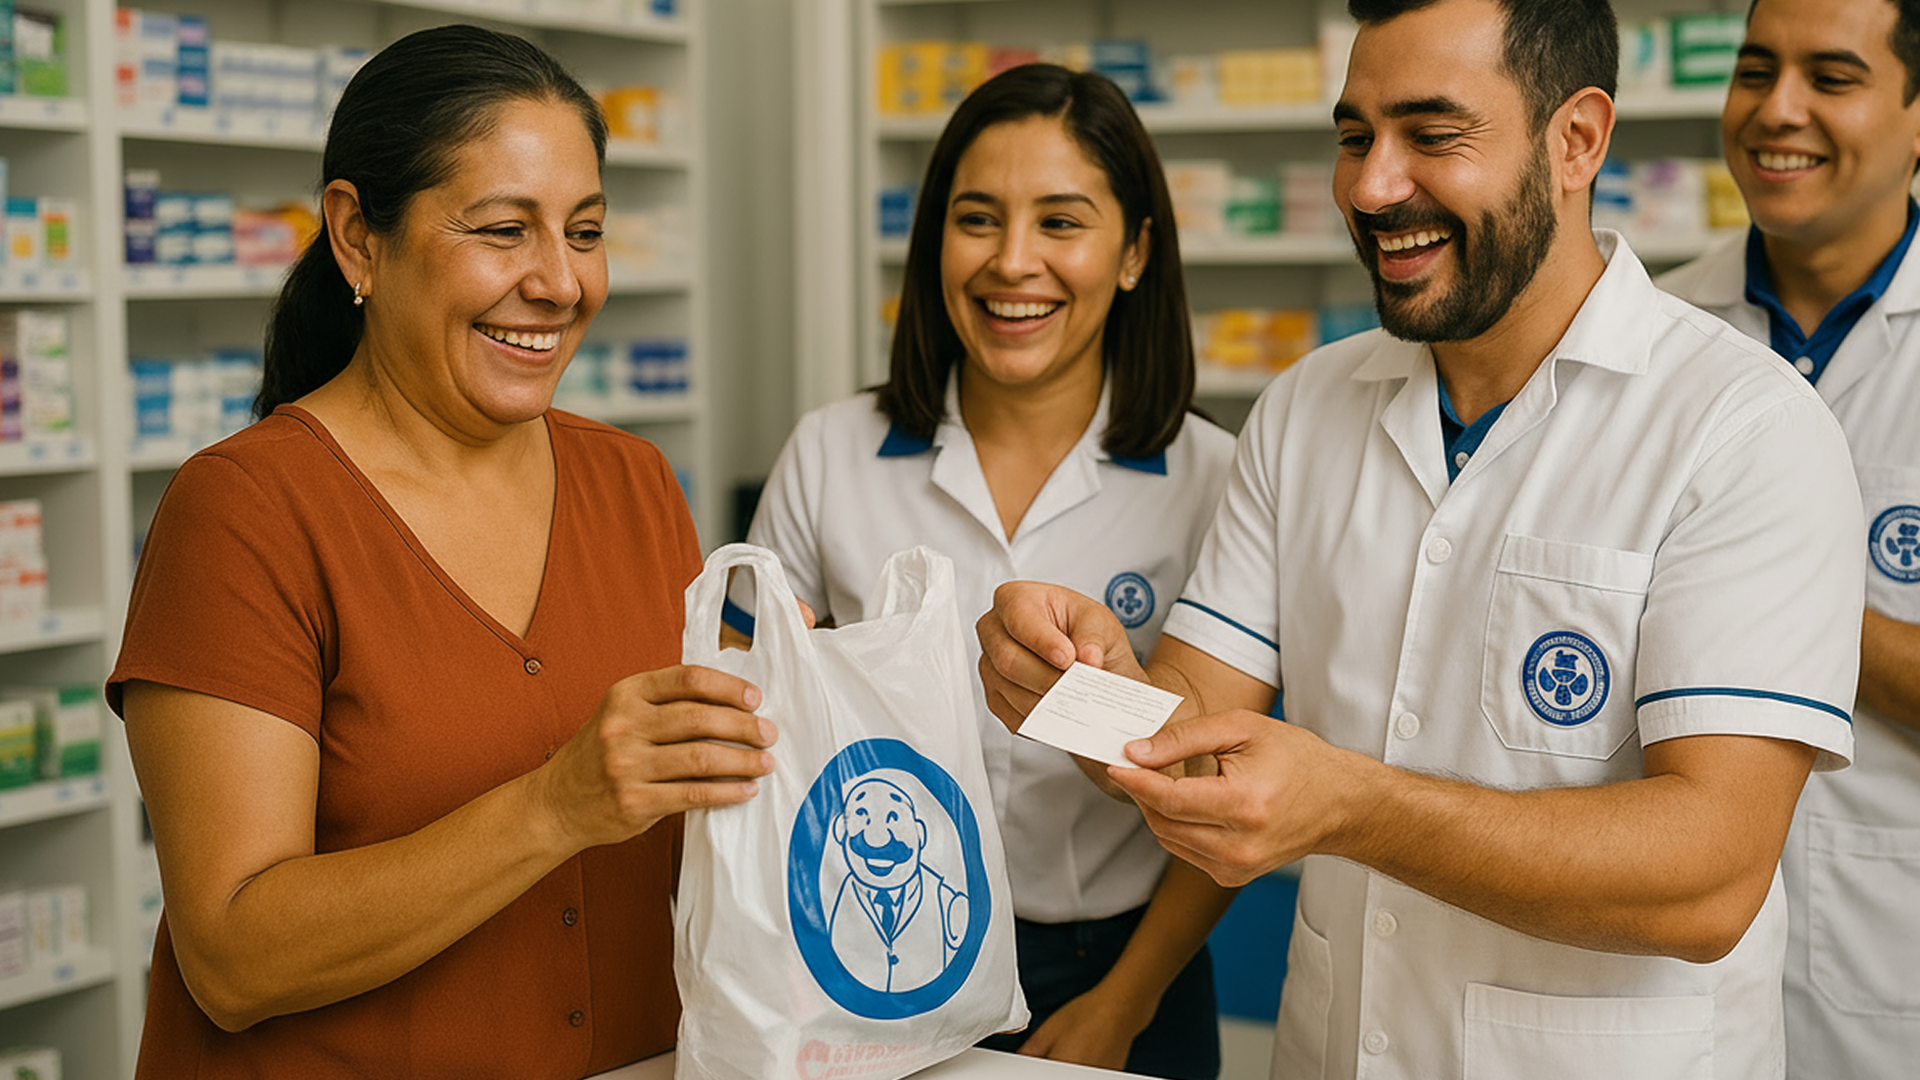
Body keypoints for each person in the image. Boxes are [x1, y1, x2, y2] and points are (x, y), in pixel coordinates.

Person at [976, 1, 1868, 1077]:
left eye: (1432, 135)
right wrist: (1084, 690)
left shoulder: (1742, 430)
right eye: (1355, 137)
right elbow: (1195, 731)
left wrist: (1351, 807)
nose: (1370, 186)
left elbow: (1712, 876)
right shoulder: (1306, 409)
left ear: (1576, 139)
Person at [107, 25, 777, 1079]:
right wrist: (554, 807)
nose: (561, 282)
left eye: (586, 230)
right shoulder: (247, 510)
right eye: (504, 230)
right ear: (357, 237)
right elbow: (232, 958)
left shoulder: (635, 484)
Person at [728, 63, 1238, 1079]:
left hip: (1121, 967)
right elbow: (747, 707)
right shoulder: (832, 453)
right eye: (977, 219)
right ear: (933, 243)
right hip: (871, 950)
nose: (1013, 263)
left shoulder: (1214, 478)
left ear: (1135, 251)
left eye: (1061, 222)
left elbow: (1228, 777)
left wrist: (1122, 1006)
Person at [1656, 1, 1920, 1074]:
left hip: (1892, 957)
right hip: (1673, 980)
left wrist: (1761, 598)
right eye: (1755, 70)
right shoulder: (1658, 341)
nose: (1778, 110)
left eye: (1832, 76)